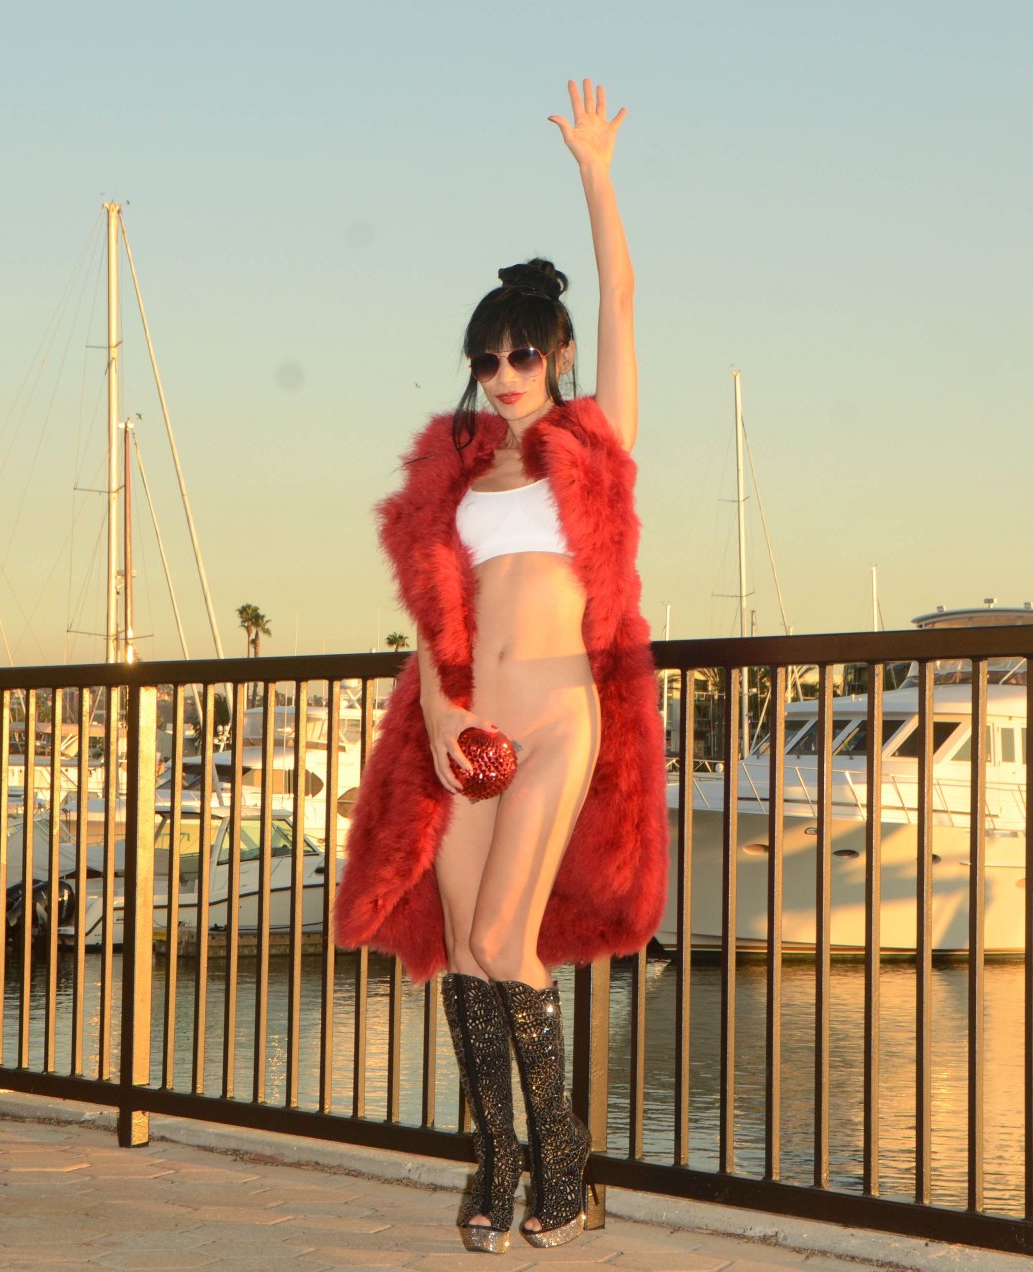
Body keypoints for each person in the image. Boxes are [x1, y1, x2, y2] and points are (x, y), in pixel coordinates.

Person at [333, 79, 669, 1254]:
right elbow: (439, 616)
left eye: (524, 352)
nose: (506, 371)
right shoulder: (460, 471)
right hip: (471, 721)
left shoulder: (595, 442)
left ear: (557, 353)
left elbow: (622, 295)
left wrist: (596, 171)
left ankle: (562, 1164)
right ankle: (500, 1162)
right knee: (462, 956)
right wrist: (436, 718)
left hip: (560, 716)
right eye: (489, 357)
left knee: (502, 940)